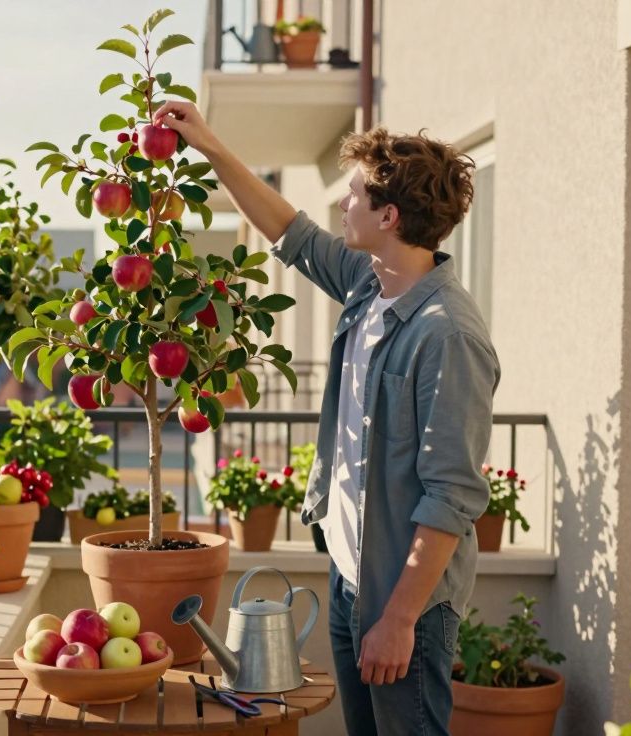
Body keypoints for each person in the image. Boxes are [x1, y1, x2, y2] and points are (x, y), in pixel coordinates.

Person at [154, 101, 500, 736]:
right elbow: (290, 231)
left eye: (355, 195)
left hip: (406, 603)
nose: (343, 205)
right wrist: (210, 145)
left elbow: (451, 495)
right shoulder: (372, 284)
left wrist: (397, 620)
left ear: (388, 216)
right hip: (350, 576)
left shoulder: (446, 335)